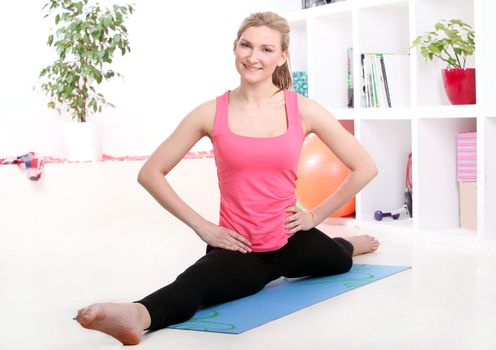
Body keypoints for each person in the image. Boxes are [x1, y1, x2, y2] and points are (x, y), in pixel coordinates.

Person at [75, 11, 380, 345]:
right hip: (239, 245)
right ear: (234, 47)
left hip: (290, 238)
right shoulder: (210, 112)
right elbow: (150, 173)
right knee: (195, 284)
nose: (253, 57)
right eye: (246, 46)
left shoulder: (303, 110)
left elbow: (365, 167)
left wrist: (313, 216)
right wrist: (203, 226)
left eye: (266, 49)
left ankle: (346, 244)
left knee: (339, 262)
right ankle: (137, 315)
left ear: (282, 56)